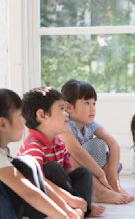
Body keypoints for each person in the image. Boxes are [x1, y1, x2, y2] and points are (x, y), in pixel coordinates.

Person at [18, 87, 106, 217]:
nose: (66, 114)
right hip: (37, 197)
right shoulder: (33, 146)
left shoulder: (59, 143)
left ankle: (80, 207)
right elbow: (38, 182)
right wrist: (70, 198)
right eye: (61, 109)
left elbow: (68, 173)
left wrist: (77, 194)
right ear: (42, 115)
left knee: (83, 172)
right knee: (52, 168)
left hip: (59, 192)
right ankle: (73, 206)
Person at [0, 88, 81, 219]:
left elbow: (34, 185)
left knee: (25, 164)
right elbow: (29, 193)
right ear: (2, 123)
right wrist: (63, 217)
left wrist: (65, 210)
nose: (24, 121)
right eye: (20, 116)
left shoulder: (4, 152)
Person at [59, 79, 134, 204]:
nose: (92, 109)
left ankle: (113, 186)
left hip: (92, 171)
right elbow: (77, 152)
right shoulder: (63, 126)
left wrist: (112, 175)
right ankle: (99, 192)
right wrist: (100, 173)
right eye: (87, 103)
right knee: (73, 157)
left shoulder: (91, 124)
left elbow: (113, 144)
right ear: (68, 107)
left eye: (94, 104)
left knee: (100, 143)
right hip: (69, 175)